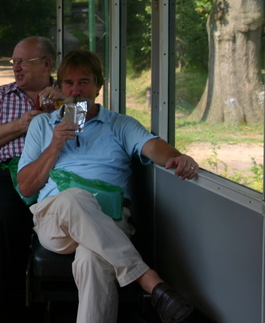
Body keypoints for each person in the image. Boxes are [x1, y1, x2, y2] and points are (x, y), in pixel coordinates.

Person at [17, 49, 196, 323]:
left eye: (84, 82)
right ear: (60, 88)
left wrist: (176, 156)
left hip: (109, 218)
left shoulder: (119, 124)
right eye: (69, 83)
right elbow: (27, 187)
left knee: (93, 259)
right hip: (56, 220)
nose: (76, 91)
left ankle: (151, 288)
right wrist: (54, 146)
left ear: (98, 87)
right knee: (74, 196)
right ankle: (152, 283)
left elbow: (152, 146)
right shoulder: (43, 124)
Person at [0, 36, 58, 322]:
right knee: (3, 215)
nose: (16, 67)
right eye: (14, 61)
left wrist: (60, 106)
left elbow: (83, 136)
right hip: (6, 172)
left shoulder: (66, 96)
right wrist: (24, 124)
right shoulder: (1, 95)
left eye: (23, 61)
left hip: (54, 172)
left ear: (46, 64)